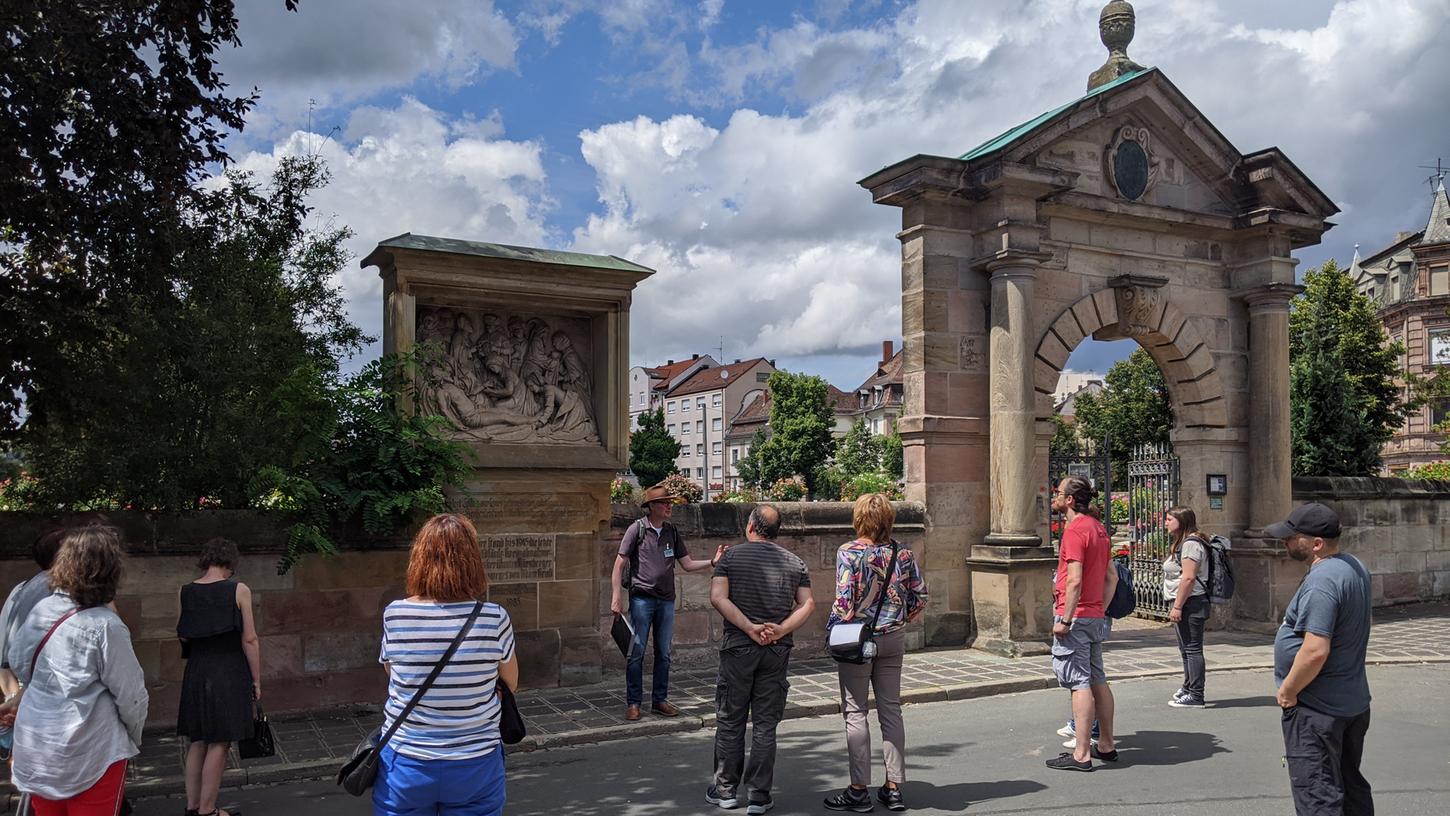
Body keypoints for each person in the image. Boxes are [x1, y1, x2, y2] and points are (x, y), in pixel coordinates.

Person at [374, 513, 519, 816]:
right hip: (475, 760)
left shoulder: (396, 614)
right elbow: (510, 684)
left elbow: (395, 677)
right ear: (472, 561)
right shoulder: (494, 618)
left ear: (420, 559)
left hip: (406, 760)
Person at [1, 524, 149, 815]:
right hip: (92, 750)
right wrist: (132, 737)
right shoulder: (105, 625)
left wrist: (23, 698)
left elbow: (20, 664)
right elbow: (131, 695)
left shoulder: (39, 612)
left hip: (39, 748)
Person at [1266, 503, 1374, 815]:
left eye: (1291, 537)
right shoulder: (1354, 566)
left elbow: (1315, 650)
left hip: (1318, 708)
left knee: (1318, 795)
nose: (1285, 542)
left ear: (1316, 544)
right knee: (1350, 786)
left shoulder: (1322, 581)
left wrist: (1288, 691)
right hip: (1351, 702)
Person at [706, 505, 814, 815]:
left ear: (751, 526)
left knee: (730, 719)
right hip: (776, 650)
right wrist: (780, 629)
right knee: (766, 725)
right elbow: (807, 605)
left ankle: (725, 790)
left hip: (739, 647)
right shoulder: (795, 562)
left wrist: (749, 628)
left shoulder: (730, 558)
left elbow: (718, 597)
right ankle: (758, 795)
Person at [823, 494, 928, 813]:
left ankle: (858, 791)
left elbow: (844, 603)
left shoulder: (849, 552)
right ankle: (893, 788)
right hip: (893, 638)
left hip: (857, 639)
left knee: (855, 711)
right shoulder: (903, 553)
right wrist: (899, 618)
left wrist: (835, 627)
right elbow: (920, 596)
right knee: (890, 710)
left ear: (859, 519)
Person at [610, 484, 721, 721]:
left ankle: (659, 700)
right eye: (664, 503)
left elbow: (687, 564)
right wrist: (616, 597)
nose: (669, 506)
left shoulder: (672, 531)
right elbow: (619, 565)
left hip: (666, 601)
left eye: (669, 503)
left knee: (664, 653)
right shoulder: (637, 529)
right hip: (642, 599)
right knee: (636, 652)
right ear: (651, 507)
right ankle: (633, 703)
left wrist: (712, 562)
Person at [177, 538, 261, 816]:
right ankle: (209, 810)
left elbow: (184, 634)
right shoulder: (239, 590)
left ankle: (192, 806)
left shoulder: (186, 591)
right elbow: (249, 639)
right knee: (221, 741)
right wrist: (256, 679)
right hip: (228, 669)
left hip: (197, 669)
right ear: (230, 562)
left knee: (198, 739)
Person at [1045, 476, 1118, 772]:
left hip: (1074, 616)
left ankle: (1081, 753)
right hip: (1094, 615)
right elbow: (1111, 576)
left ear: (1070, 500)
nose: (1054, 496)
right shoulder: (1099, 529)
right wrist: (1100, 608)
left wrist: (1066, 618)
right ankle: (1107, 744)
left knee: (1079, 682)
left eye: (1058, 493)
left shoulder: (1075, 530)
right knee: (1097, 677)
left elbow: (1074, 579)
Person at [0, 526, 67, 756]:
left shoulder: (22, 589)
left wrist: (12, 698)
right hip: (48, 700)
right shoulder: (65, 593)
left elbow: (5, 655)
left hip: (23, 693)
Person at [1163, 506, 1211, 707]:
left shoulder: (1191, 544)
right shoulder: (1184, 542)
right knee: (1186, 649)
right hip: (1187, 601)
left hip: (1191, 602)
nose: (1165, 523)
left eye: (1169, 519)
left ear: (1181, 522)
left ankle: (1196, 695)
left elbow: (1189, 577)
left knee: (1192, 649)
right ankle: (1188, 687)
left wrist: (1178, 606)